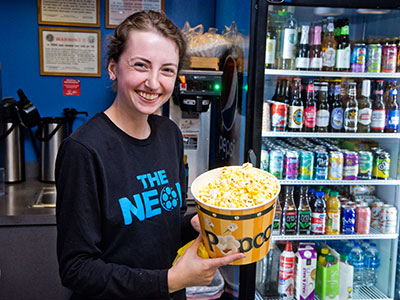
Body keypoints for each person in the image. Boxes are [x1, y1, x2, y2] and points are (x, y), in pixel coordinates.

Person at [55, 10, 244, 300]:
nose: (154, 83)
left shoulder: (169, 134)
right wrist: (170, 280)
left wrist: (193, 224)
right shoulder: (84, 150)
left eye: (167, 70)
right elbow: (76, 269)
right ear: (113, 68)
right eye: (141, 65)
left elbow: (157, 224)